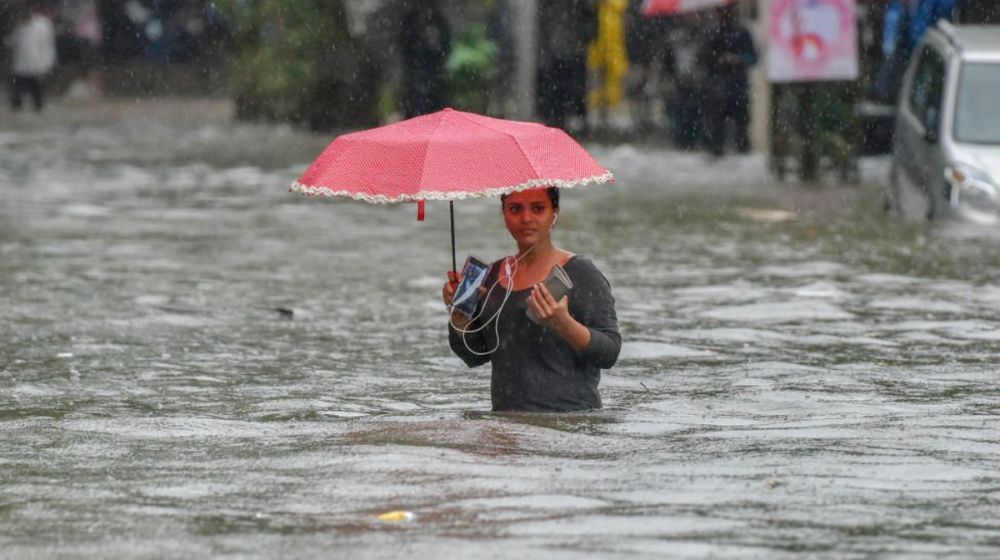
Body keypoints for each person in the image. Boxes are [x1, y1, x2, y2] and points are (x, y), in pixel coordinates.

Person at [441, 187, 621, 412]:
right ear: (504, 214)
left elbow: (610, 352)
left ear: (554, 213)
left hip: (570, 424)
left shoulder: (580, 273)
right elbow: (475, 356)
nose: (526, 218)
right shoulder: (492, 276)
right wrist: (460, 320)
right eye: (515, 209)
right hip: (508, 425)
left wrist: (563, 323)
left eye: (538, 208)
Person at [698, 6, 757, 155]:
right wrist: (716, 58)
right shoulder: (709, 33)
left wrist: (737, 59)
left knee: (741, 125)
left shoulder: (741, 32)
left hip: (738, 86)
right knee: (716, 125)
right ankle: (717, 150)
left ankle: (741, 151)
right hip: (716, 86)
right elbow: (703, 59)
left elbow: (752, 57)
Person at [538, 0, 598, 134]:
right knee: (561, 88)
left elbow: (591, 17)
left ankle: (571, 120)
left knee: (573, 88)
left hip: (572, 47)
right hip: (560, 47)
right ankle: (560, 121)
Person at [398, 0, 451, 119]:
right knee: (415, 114)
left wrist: (435, 43)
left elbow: (446, 48)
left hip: (434, 76)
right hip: (415, 77)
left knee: (435, 114)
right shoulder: (411, 19)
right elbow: (404, 47)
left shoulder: (438, 20)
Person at [6, 3, 56, 112]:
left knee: (37, 97)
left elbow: (48, 46)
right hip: (20, 66)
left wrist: (47, 66)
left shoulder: (43, 24)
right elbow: (12, 42)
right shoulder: (19, 23)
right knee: (16, 96)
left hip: (37, 66)